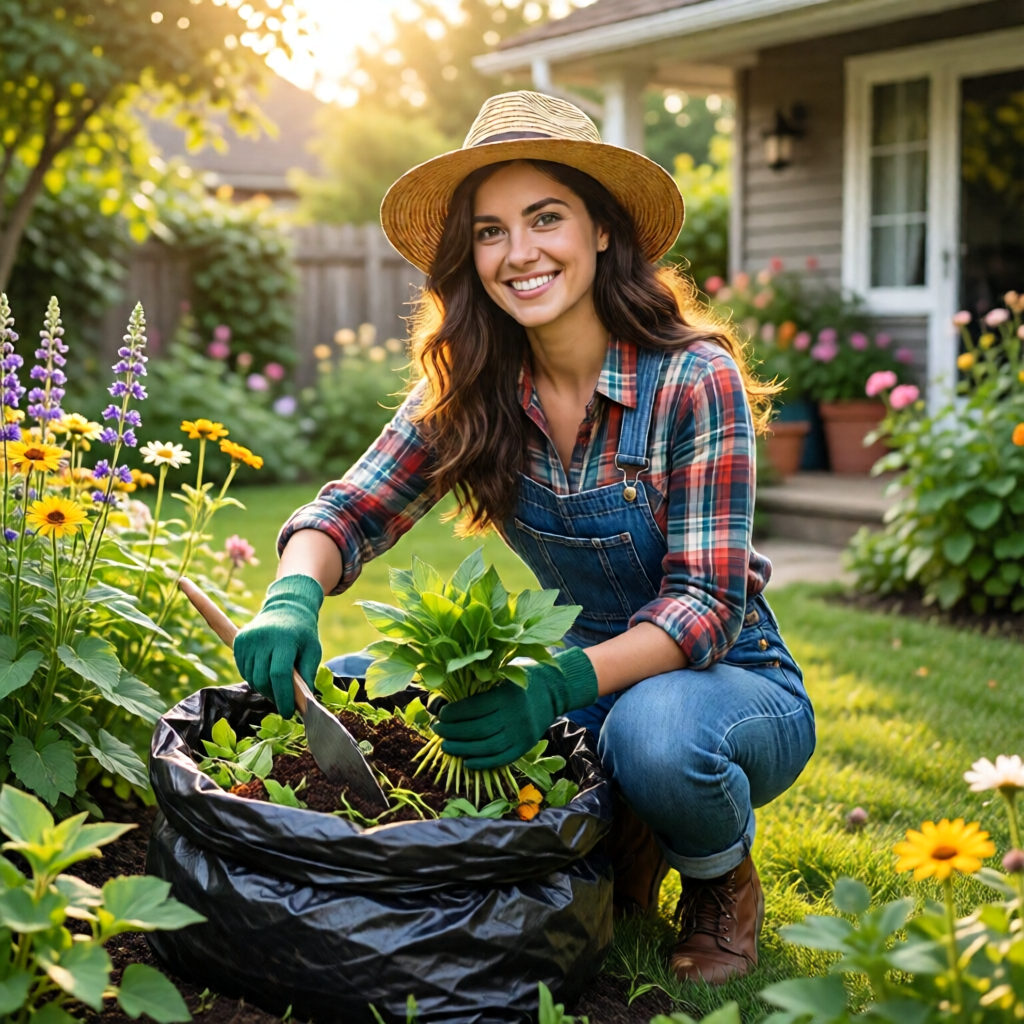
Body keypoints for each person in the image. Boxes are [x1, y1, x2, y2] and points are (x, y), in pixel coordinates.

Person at [233, 91, 815, 985]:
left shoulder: (694, 380)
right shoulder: (477, 380)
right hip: (576, 674)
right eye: (491, 231)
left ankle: (716, 877)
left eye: (546, 219)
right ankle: (620, 837)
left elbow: (703, 607)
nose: (521, 253)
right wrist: (292, 592)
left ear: (603, 232)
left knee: (653, 737)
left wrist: (554, 689)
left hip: (727, 682)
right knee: (362, 688)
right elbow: (351, 507)